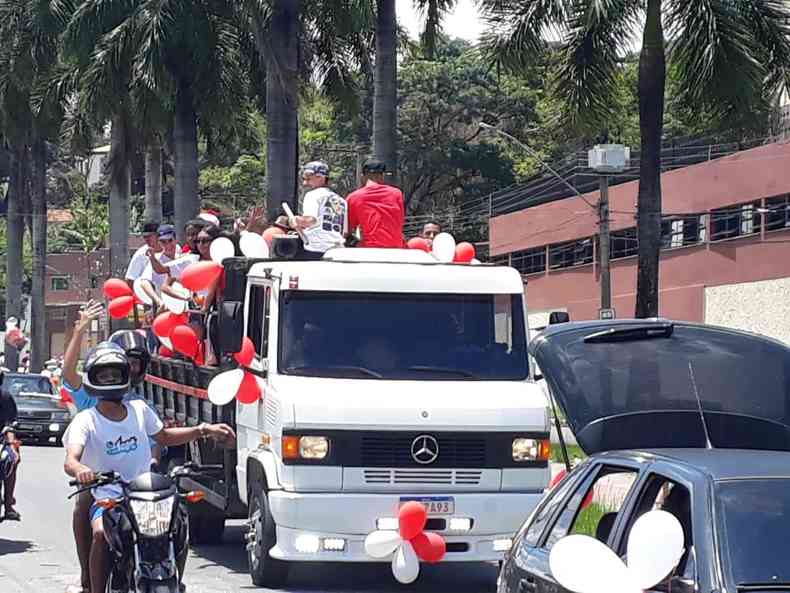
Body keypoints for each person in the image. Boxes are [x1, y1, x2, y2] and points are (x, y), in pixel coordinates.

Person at [63, 345, 235, 593]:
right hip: (109, 498)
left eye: (115, 374)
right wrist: (81, 470)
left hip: (146, 496)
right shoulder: (86, 419)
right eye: (104, 375)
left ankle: (176, 579)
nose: (111, 379)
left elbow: (164, 436)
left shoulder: (140, 410)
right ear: (93, 378)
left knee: (178, 521)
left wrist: (203, 429)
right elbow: (71, 459)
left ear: (126, 376)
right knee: (101, 533)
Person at [62, 304, 158, 593]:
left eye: (134, 364)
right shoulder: (90, 403)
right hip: (100, 482)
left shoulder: (140, 403)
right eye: (123, 363)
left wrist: (154, 466)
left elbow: (156, 440)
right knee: (85, 509)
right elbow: (68, 372)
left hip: (136, 485)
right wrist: (80, 330)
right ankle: (89, 579)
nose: (129, 370)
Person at [291, 161, 348, 258]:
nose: (305, 183)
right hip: (338, 252)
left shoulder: (313, 195)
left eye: (308, 179)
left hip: (315, 251)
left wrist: (294, 220)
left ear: (320, 177)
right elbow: (344, 232)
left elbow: (310, 220)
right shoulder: (341, 200)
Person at [347, 159, 405, 248]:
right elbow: (400, 222)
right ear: (382, 176)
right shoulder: (396, 194)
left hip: (370, 250)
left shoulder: (354, 197)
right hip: (396, 249)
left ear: (362, 176)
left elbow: (347, 230)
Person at [138, 224, 182, 310]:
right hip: (165, 309)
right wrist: (158, 301)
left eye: (170, 240)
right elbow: (144, 282)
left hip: (184, 308)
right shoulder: (155, 259)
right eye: (163, 242)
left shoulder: (182, 258)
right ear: (159, 242)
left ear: (176, 240)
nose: (168, 245)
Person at [0, 373, 20, 521]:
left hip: (1, 440)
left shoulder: (5, 398)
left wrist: (12, 446)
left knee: (10, 460)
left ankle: (8, 506)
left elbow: (9, 425)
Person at [125, 222, 161, 286]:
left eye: (149, 236)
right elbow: (130, 280)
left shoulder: (172, 248)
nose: (147, 239)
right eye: (144, 237)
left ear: (158, 235)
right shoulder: (141, 254)